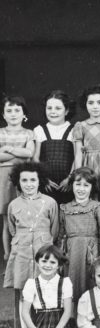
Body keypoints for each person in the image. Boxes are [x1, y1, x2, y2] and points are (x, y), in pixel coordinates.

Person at [4, 161, 59, 328]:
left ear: (39, 181)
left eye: (33, 180)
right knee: (21, 294)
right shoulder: (13, 205)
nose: (29, 184)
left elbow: (55, 230)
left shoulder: (50, 203)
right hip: (21, 255)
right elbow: (11, 229)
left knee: (43, 293)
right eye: (24, 180)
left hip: (43, 254)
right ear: (18, 182)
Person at [58, 167, 100, 305]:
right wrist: (60, 256)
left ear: (92, 187)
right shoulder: (65, 208)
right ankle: (72, 320)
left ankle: (93, 319)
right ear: (72, 185)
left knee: (91, 282)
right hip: (72, 253)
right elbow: (60, 235)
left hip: (91, 252)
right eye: (78, 184)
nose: (81, 189)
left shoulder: (98, 206)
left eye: (86, 185)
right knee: (72, 285)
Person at [20, 245, 73, 328]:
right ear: (38, 262)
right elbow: (24, 312)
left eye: (52, 262)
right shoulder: (31, 283)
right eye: (44, 261)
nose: (47, 265)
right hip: (39, 323)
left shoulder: (65, 282)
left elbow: (68, 311)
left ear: (59, 265)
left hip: (58, 323)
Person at [0, 96, 35, 260]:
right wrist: (18, 155)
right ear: (3, 115)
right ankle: (8, 256)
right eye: (9, 111)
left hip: (23, 178)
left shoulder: (29, 133)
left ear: (24, 114)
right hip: (3, 179)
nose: (13, 114)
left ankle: (24, 257)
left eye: (17, 110)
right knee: (8, 219)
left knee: (25, 216)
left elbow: (29, 153)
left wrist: (8, 149)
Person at [32, 90, 76, 204]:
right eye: (49, 108)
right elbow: (36, 158)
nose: (53, 112)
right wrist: (44, 179)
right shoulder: (39, 130)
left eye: (58, 108)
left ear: (66, 111)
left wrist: (70, 179)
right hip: (47, 185)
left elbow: (77, 157)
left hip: (68, 184)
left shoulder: (74, 130)